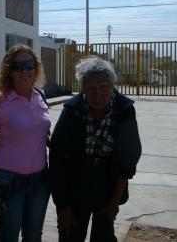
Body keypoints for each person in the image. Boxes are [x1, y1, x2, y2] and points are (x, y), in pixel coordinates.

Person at [49, 56, 142, 242]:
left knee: (104, 237)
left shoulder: (124, 110)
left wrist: (114, 205)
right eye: (91, 88)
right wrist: (62, 208)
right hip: (76, 191)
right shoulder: (71, 111)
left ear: (112, 85)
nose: (98, 94)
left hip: (108, 190)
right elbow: (57, 161)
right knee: (70, 236)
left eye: (103, 87)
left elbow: (128, 161)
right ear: (83, 88)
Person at [0, 44, 51, 242]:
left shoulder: (39, 96)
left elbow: (42, 133)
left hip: (40, 181)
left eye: (29, 65)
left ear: (36, 68)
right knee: (8, 238)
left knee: (33, 237)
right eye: (18, 66)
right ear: (9, 70)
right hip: (8, 183)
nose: (25, 71)